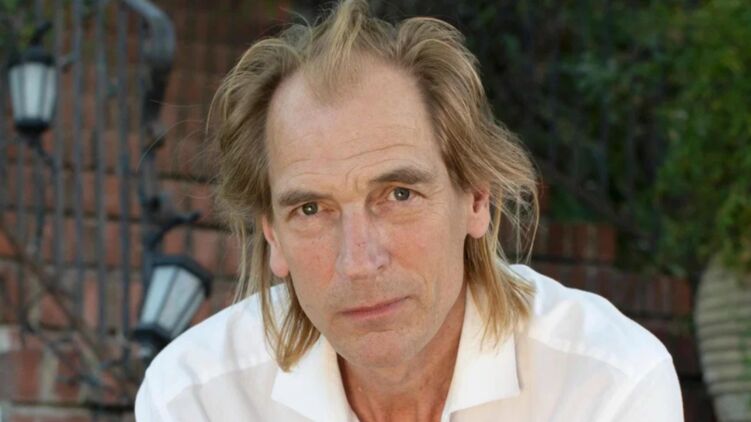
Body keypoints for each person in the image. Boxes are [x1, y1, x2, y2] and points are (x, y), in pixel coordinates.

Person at [134, 1, 683, 420]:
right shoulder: (197, 396)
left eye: (399, 195)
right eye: (311, 208)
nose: (358, 261)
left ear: (476, 199)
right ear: (273, 235)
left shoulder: (603, 386)